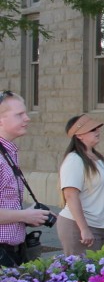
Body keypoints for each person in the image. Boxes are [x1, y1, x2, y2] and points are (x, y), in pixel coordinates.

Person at [0, 91, 52, 267]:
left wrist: (30, 216)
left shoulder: (8, 152)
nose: (27, 118)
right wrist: (25, 215)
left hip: (12, 253)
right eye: (19, 114)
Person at [56, 115, 104, 256]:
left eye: (97, 128)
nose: (97, 131)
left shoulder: (95, 157)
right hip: (81, 226)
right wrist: (84, 229)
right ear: (79, 135)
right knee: (85, 275)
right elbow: (70, 195)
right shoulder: (74, 160)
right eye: (92, 129)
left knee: (100, 274)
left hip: (101, 226)